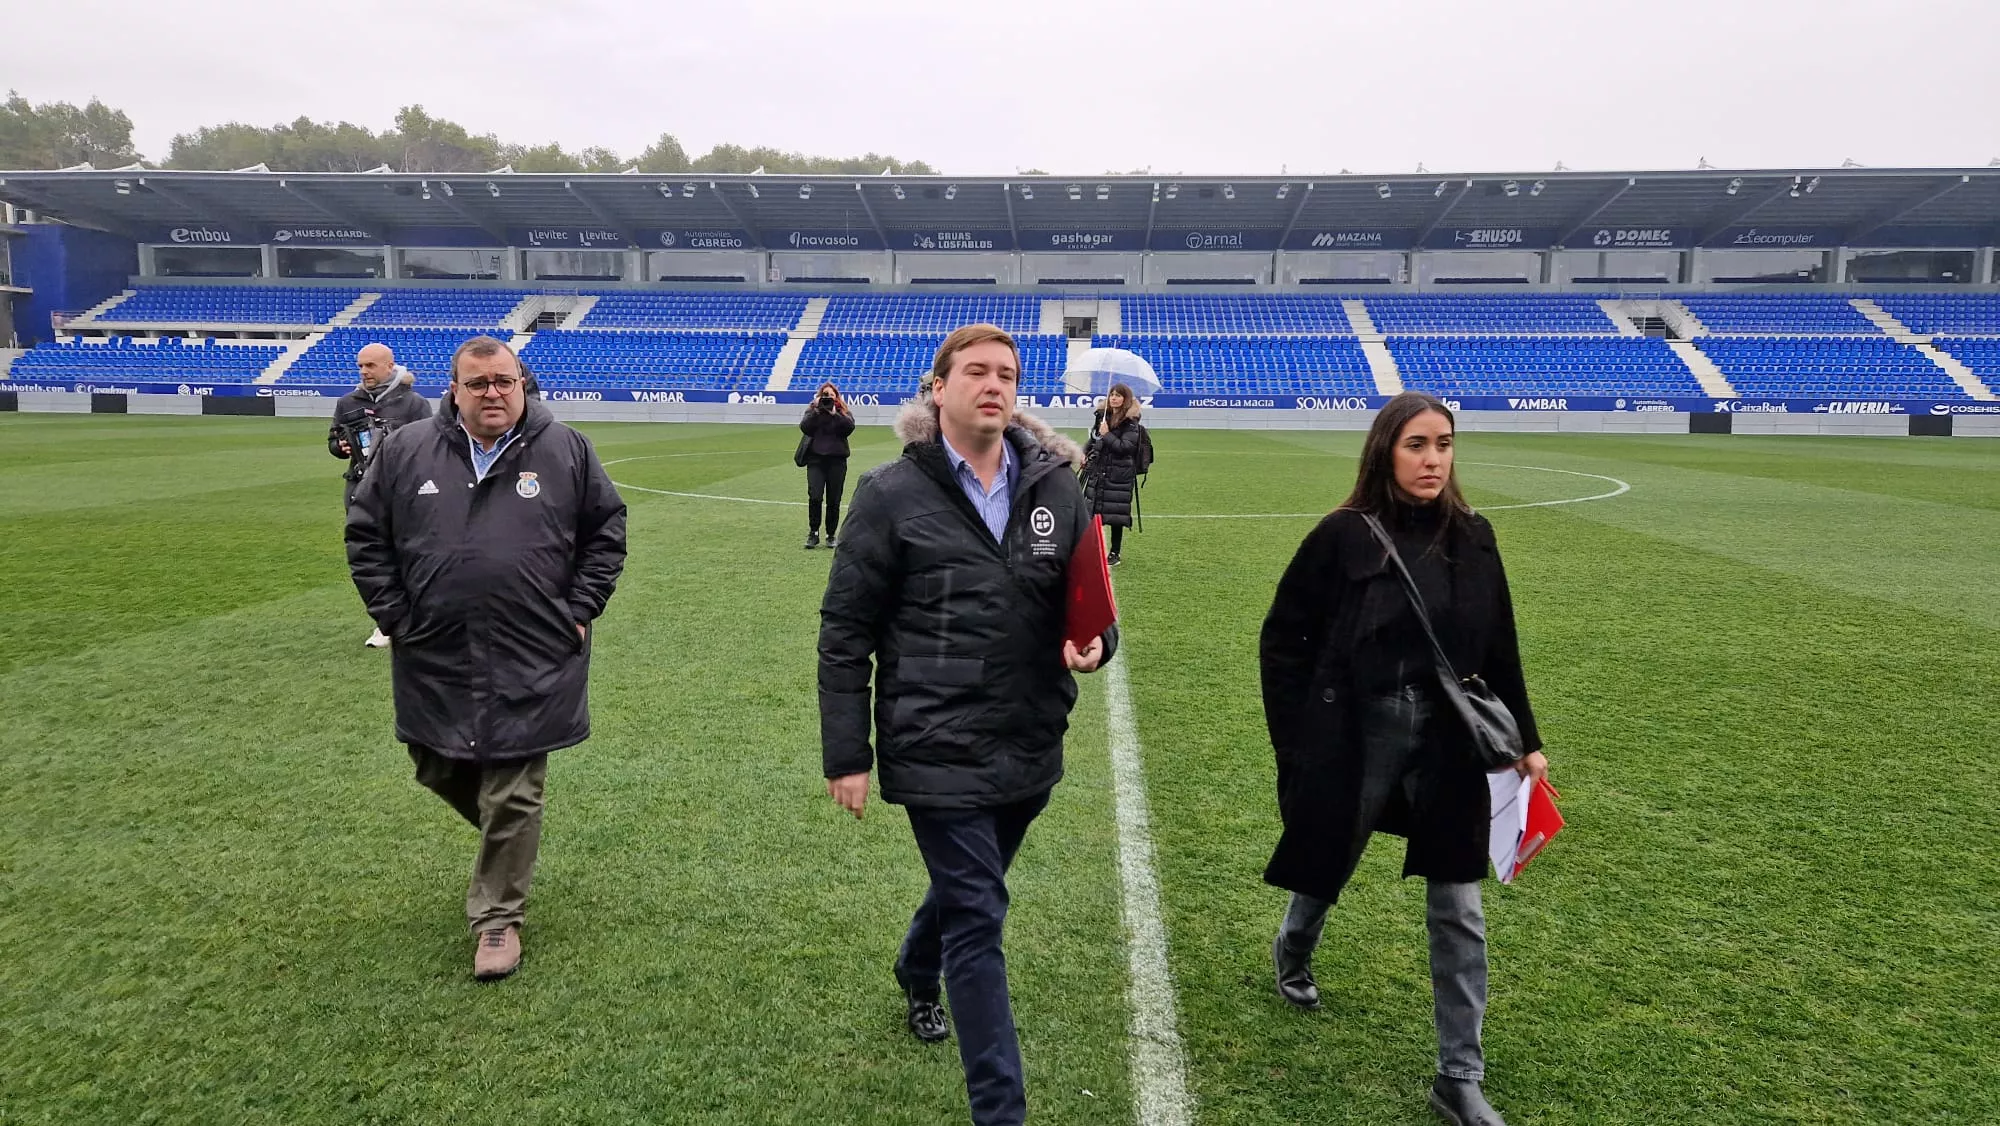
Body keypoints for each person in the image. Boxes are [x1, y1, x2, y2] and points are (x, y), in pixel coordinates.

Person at [819, 323, 1119, 1126]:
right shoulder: (890, 493)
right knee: (980, 917)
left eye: (1007, 374)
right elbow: (845, 632)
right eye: (977, 371)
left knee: (967, 896)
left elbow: (1088, 599)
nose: (994, 384)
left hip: (1029, 734)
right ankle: (1001, 1110)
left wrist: (1096, 643)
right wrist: (848, 752)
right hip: (933, 736)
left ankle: (917, 970)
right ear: (939, 387)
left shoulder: (1057, 484)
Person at [1258, 391, 1548, 1126]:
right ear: (1386, 450)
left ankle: (1459, 1076)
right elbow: (1283, 642)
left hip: (1451, 739)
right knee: (1331, 854)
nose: (1433, 459)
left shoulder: (1476, 536)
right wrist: (1295, 745)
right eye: (1417, 444)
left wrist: (1529, 741)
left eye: (1444, 445)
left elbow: (1499, 647)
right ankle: (1294, 945)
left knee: (1460, 905)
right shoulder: (1343, 535)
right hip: (1358, 730)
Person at [345, 335, 627, 982]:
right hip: (434, 649)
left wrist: (580, 608)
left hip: (537, 647)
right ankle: (510, 838)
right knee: (434, 763)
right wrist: (392, 614)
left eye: (503, 380)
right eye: (478, 384)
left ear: (522, 383)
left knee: (515, 787)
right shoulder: (406, 450)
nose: (493, 393)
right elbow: (366, 536)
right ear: (455, 389)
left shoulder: (566, 450)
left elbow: (606, 532)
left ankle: (497, 919)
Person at [328, 342, 433, 648]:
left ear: (390, 366)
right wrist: (341, 447)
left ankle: (417, 616)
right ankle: (384, 623)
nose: (364, 372)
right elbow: (333, 442)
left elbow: (427, 447)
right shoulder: (347, 402)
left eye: (370, 366)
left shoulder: (414, 403)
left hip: (403, 490)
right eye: (360, 366)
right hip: (360, 487)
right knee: (371, 556)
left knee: (409, 554)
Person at [1080, 383, 1150, 566]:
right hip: (1099, 470)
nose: (1114, 398)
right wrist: (1084, 453)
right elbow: (1094, 438)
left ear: (1125, 399)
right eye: (1112, 394)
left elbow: (1125, 448)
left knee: (1116, 515)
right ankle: (1092, 550)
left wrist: (1108, 434)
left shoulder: (1131, 423)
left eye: (1118, 395)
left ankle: (1115, 553)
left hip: (1119, 473)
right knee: (1092, 511)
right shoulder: (1103, 417)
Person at [799, 380, 856, 549]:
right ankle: (813, 532)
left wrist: (834, 413)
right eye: (825, 395)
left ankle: (831, 534)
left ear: (837, 397)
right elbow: (805, 428)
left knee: (834, 499)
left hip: (837, 461)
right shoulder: (813, 411)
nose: (828, 398)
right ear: (819, 396)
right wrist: (816, 410)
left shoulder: (842, 412)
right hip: (816, 460)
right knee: (815, 496)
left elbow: (849, 428)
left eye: (831, 395)